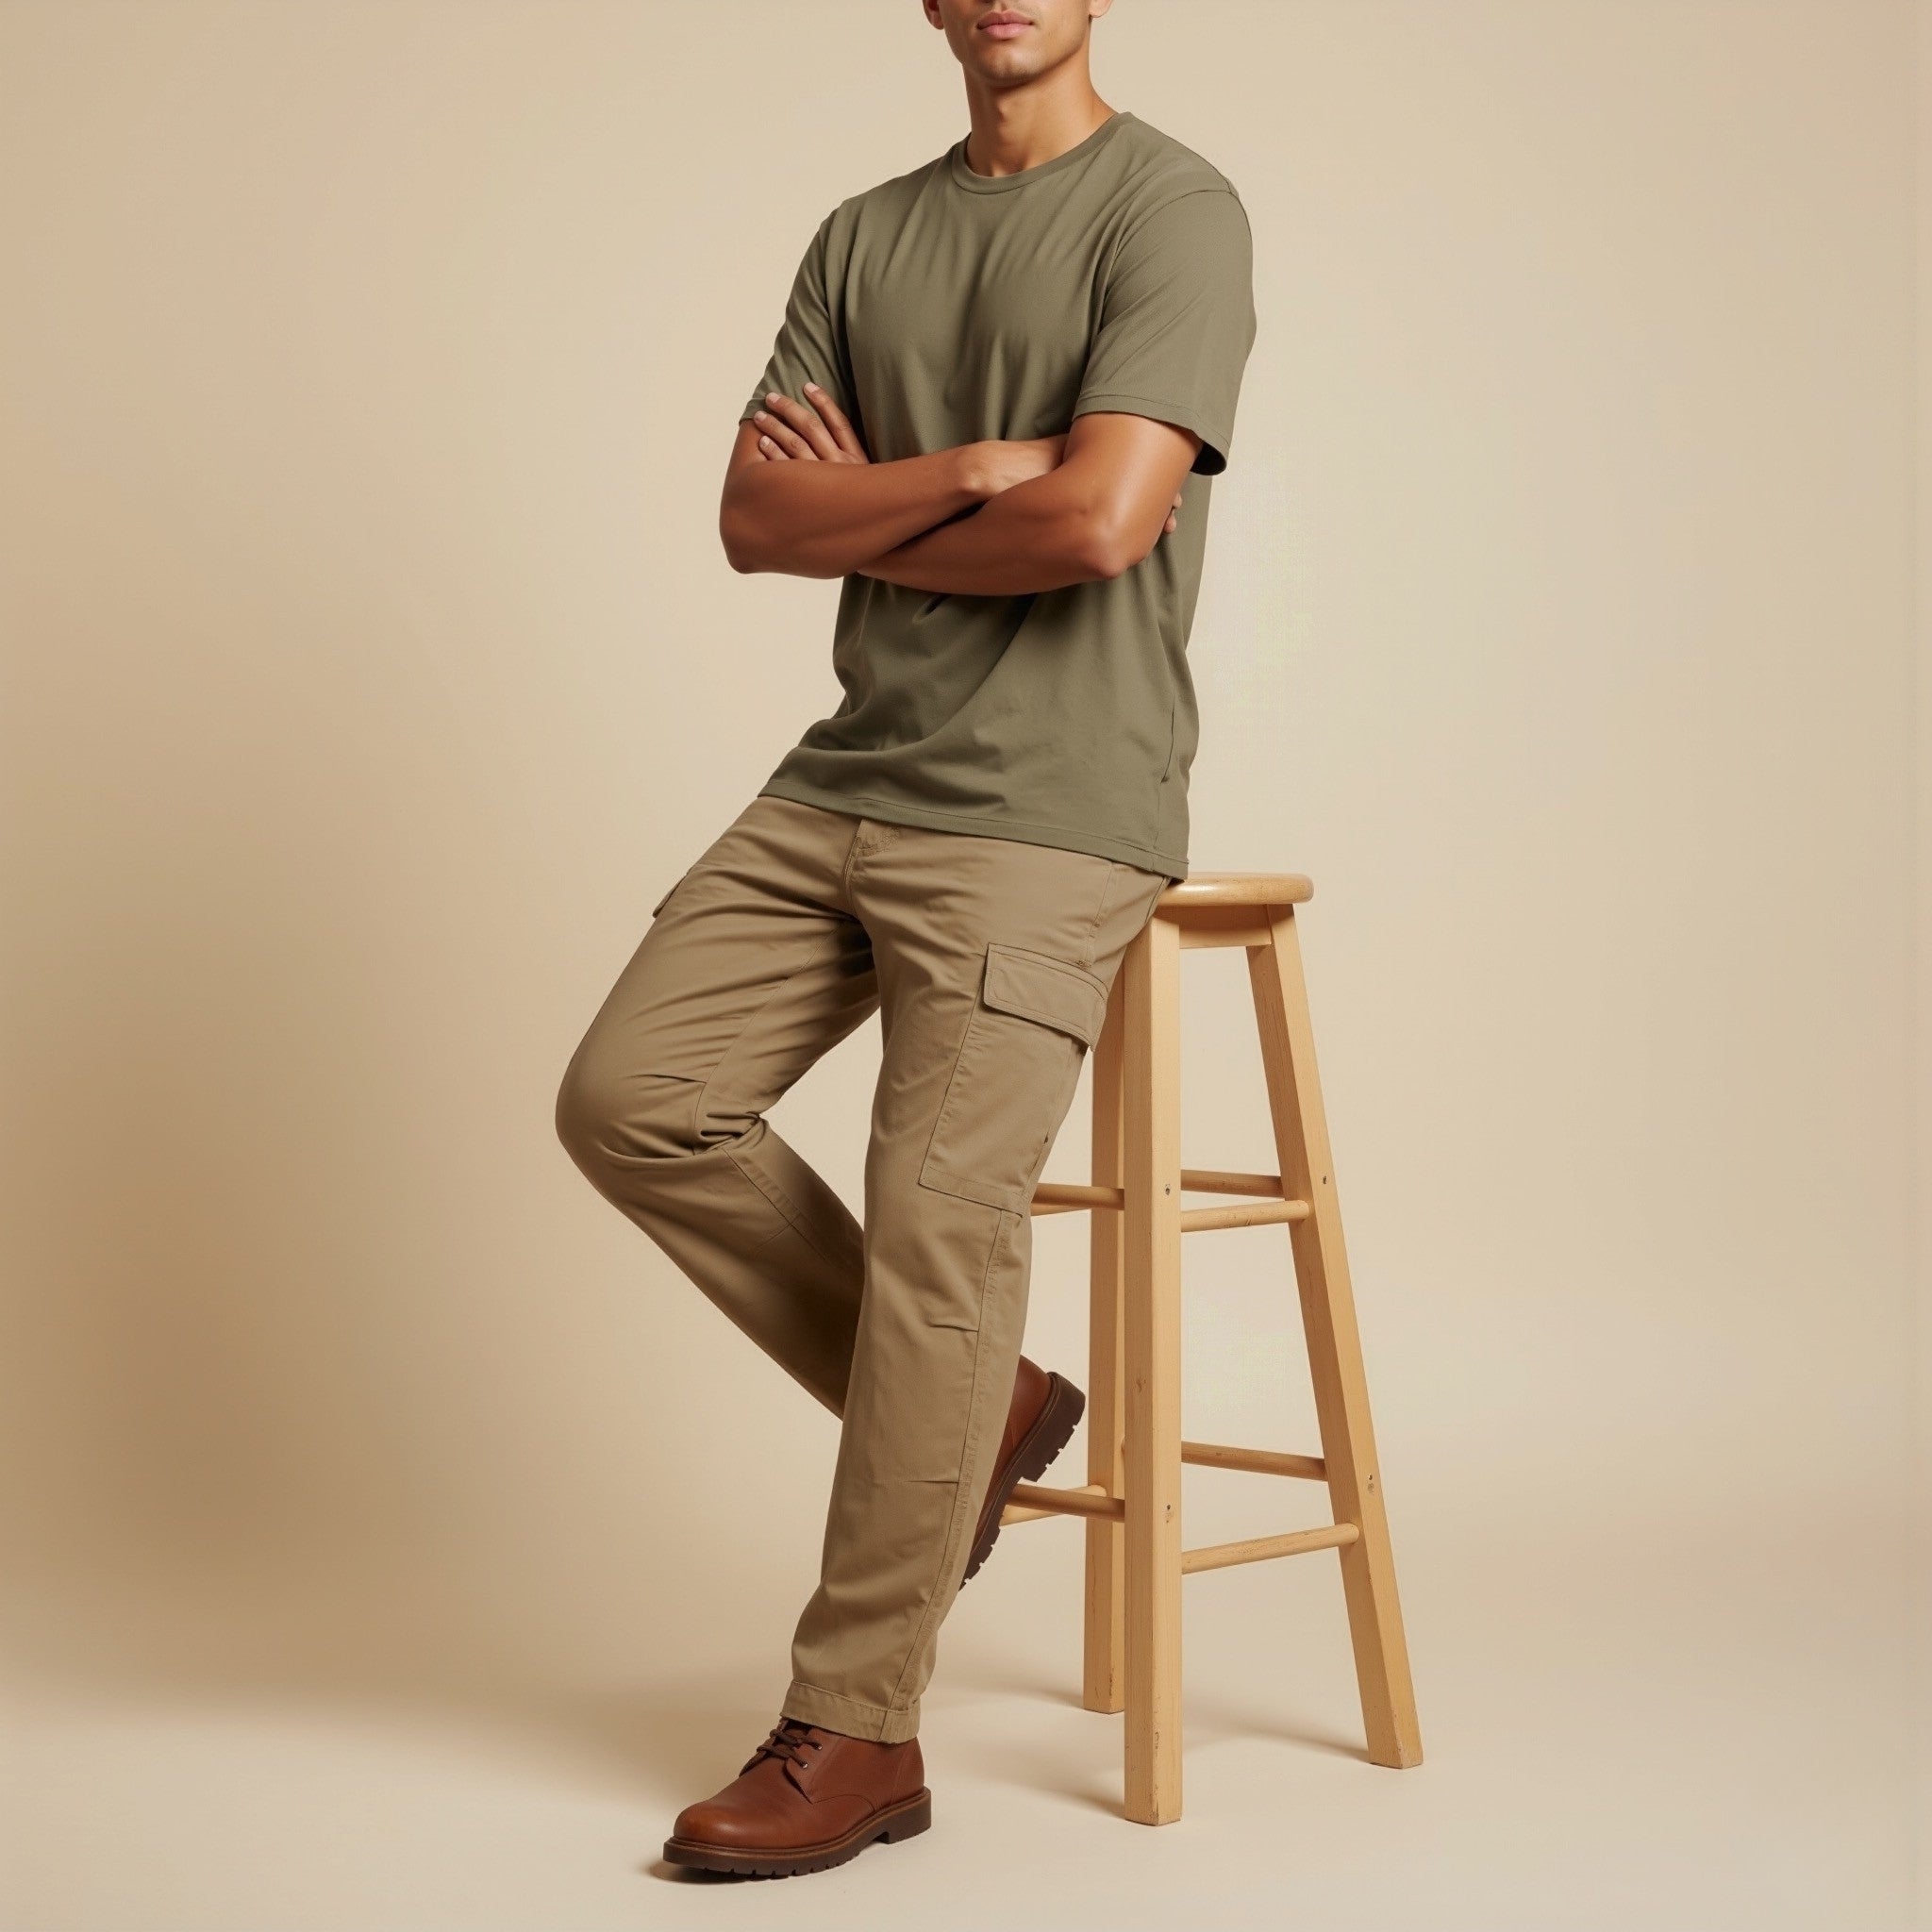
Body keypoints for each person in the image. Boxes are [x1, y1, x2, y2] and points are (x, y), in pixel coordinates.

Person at [554, 0, 1256, 1879]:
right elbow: (750, 519)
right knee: (632, 1097)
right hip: (846, 777)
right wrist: (967, 472)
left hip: (1051, 809)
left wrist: (886, 505)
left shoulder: (1168, 212)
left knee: (941, 1227)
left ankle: (857, 1729)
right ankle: (983, 1406)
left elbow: (1105, 523)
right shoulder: (863, 234)